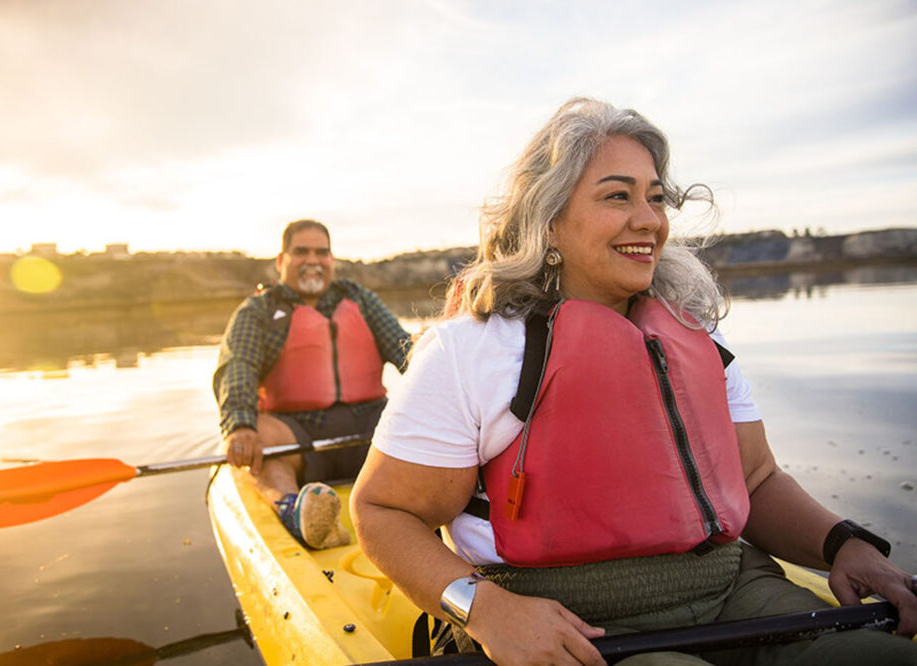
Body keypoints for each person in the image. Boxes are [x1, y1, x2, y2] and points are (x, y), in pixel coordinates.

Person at [350, 98, 917, 665]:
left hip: (731, 591)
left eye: (656, 197)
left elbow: (757, 478)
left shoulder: (697, 340)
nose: (650, 219)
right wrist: (486, 609)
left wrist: (845, 543)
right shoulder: (471, 350)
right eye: (617, 195)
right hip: (564, 619)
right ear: (547, 219)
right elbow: (383, 511)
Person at [214, 219, 412, 550]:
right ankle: (293, 508)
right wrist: (239, 424)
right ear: (281, 261)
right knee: (259, 434)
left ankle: (429, 505)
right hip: (297, 435)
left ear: (331, 260)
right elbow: (238, 366)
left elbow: (406, 352)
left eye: (322, 253)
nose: (313, 260)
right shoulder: (259, 311)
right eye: (301, 252)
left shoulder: (359, 300)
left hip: (370, 430)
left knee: (420, 415)